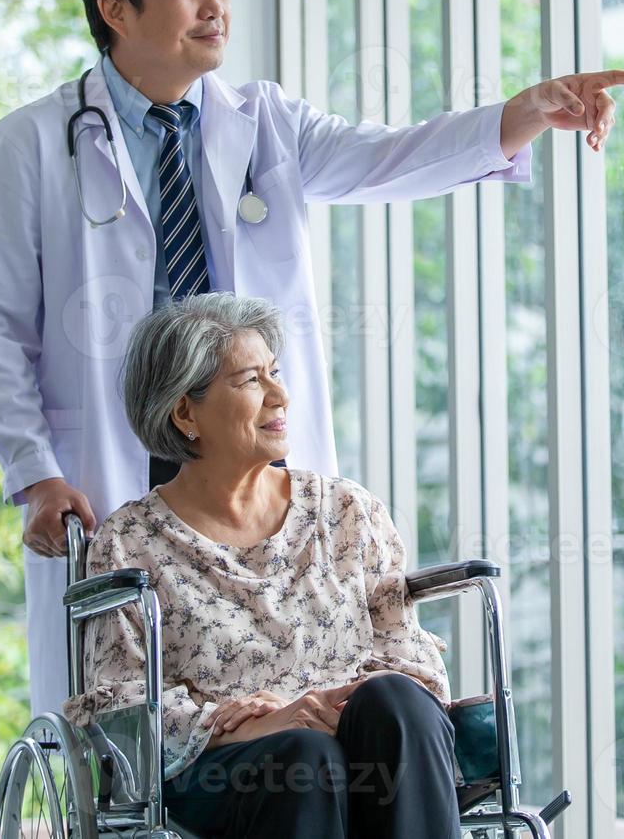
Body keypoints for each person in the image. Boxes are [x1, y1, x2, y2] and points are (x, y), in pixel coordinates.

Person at [0, 0, 624, 718]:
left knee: (291, 665)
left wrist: (521, 115)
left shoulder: (264, 121)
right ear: (114, 6)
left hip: (246, 446)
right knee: (129, 703)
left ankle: (290, 771)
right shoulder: (32, 143)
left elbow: (385, 158)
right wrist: (36, 475)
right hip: (115, 464)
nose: (216, 8)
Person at [64, 292, 462, 837]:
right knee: (302, 757)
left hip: (357, 738)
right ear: (186, 412)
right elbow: (123, 706)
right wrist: (255, 724)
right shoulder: (130, 542)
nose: (280, 395)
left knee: (394, 700)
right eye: (252, 381)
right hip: (226, 770)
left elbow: (411, 659)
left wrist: (330, 707)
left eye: (275, 373)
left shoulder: (346, 512)